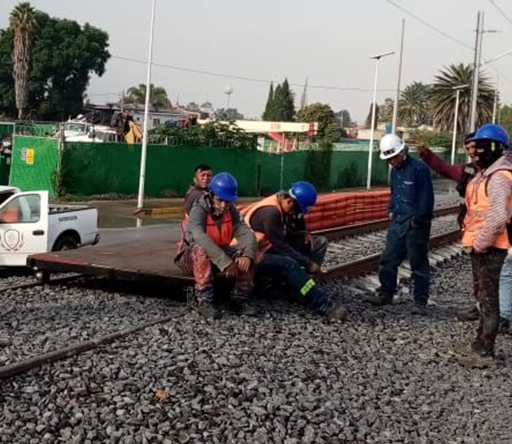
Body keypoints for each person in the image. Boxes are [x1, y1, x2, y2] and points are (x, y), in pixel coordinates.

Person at [416, 135, 512, 333]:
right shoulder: (471, 171)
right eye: (468, 147)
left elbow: (500, 213)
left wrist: (482, 240)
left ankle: (502, 317)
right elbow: (446, 169)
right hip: (478, 232)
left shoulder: (499, 174)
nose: (472, 151)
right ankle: (482, 309)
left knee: (502, 274)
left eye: (475, 147)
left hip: (499, 234)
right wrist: (427, 155)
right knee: (481, 276)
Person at [455, 123, 512, 368]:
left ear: (492, 148)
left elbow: (496, 217)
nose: (475, 151)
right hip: (482, 245)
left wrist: (480, 244)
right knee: (482, 298)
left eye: (480, 146)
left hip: (491, 246)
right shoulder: (486, 173)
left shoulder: (500, 177)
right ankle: (479, 343)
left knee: (489, 299)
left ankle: (485, 350)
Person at [241, 181, 347, 320]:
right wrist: (309, 264)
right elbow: (281, 247)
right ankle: (323, 304)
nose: (295, 213)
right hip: (250, 255)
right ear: (289, 202)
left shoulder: (282, 205)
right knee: (289, 263)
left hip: (265, 248)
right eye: (295, 210)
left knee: (319, 243)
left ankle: (299, 286)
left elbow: (291, 228)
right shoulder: (270, 213)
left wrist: (303, 233)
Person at [368, 133, 436, 313]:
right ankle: (386, 293)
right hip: (398, 221)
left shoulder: (419, 170)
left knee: (418, 262)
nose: (391, 162)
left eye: (393, 158)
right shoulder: (395, 172)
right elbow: (394, 193)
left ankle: (420, 301)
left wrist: (417, 221)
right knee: (388, 259)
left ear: (402, 152)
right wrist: (391, 210)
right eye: (388, 159)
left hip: (416, 225)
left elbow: (426, 199)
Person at [176, 172, 258, 318]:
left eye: (228, 201)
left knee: (247, 253)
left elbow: (245, 232)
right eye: (220, 200)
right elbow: (199, 237)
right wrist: (225, 261)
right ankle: (204, 300)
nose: (224, 205)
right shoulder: (198, 210)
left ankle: (239, 300)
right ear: (211, 195)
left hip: (217, 254)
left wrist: (247, 254)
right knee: (201, 248)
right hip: (192, 258)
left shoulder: (230, 210)